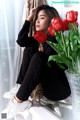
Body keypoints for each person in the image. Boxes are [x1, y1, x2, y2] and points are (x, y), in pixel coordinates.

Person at [1, 5, 71, 119]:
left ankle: (18, 101)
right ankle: (20, 88)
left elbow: (46, 64)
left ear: (51, 21)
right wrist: (29, 19)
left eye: (42, 18)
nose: (37, 21)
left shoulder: (57, 39)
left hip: (59, 90)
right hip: (46, 87)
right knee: (29, 49)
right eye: (36, 18)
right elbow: (21, 41)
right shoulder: (40, 39)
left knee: (39, 56)